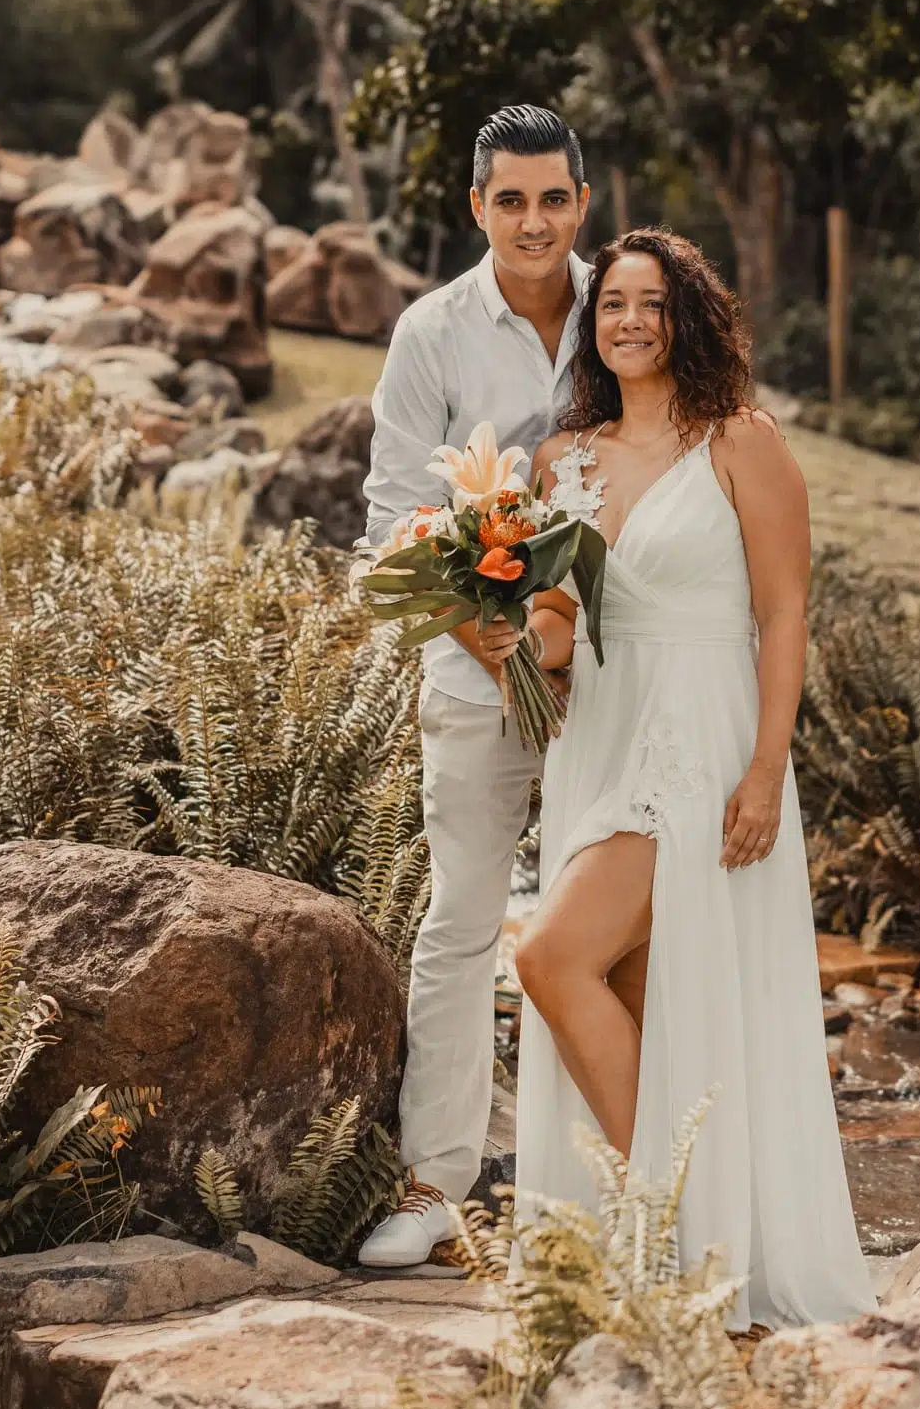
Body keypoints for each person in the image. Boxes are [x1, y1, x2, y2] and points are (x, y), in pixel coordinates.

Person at [512, 226, 875, 1330]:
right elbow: (560, 631)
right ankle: (677, 1250)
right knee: (628, 991)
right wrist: (499, 627)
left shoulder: (740, 442)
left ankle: (667, 1226)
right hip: (603, 735)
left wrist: (766, 768)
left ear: (688, 319)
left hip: (703, 735)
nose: (629, 321)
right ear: (592, 323)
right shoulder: (562, 460)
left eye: (652, 304)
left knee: (549, 957)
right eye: (612, 303)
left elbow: (782, 611)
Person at [354, 104, 592, 1268]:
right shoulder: (431, 332)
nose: (533, 221)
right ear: (477, 209)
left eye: (553, 199)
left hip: (615, 671)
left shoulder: (632, 311)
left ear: (581, 204)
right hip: (470, 670)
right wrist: (484, 631)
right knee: (459, 922)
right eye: (511, 200)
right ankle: (433, 1186)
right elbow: (392, 517)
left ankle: (594, 1184)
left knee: (603, 925)